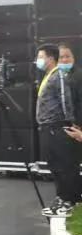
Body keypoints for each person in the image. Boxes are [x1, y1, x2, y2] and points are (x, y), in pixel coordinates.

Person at [34, 43, 79, 215]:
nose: (38, 60)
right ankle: (61, 197)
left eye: (41, 57)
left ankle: (69, 201)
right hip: (47, 127)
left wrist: (69, 122)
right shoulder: (48, 76)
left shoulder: (58, 74)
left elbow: (65, 99)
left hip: (58, 126)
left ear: (51, 58)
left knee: (64, 166)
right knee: (55, 165)